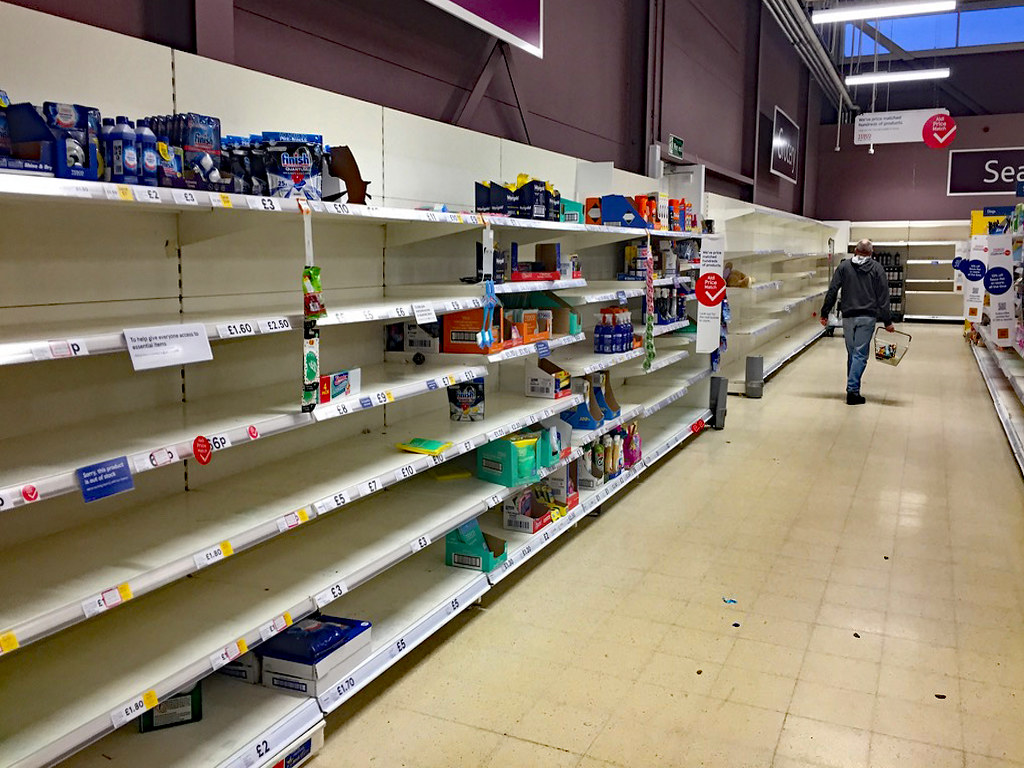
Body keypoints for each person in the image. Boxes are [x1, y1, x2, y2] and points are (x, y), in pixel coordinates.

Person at [819, 239, 895, 405]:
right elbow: (883, 296)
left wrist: (825, 313)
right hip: (867, 317)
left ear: (855, 250)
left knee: (853, 353)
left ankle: (853, 387)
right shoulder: (877, 268)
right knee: (860, 354)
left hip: (848, 317)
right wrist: (887, 321)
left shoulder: (844, 266)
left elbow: (833, 290)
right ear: (871, 252)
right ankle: (852, 392)